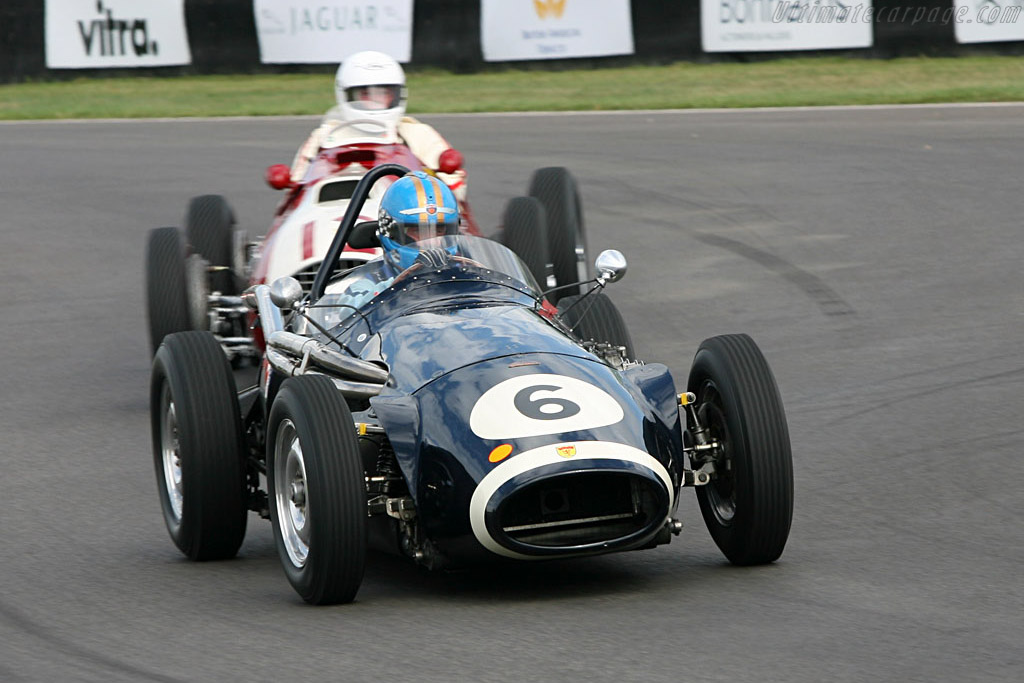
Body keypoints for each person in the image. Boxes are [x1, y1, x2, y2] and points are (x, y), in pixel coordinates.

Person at [290, 51, 467, 204]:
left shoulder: (418, 134)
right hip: (332, 218)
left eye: (383, 93)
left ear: (397, 95)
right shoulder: (324, 137)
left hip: (406, 220)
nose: (375, 101)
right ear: (347, 95)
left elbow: (454, 192)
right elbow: (295, 195)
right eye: (366, 94)